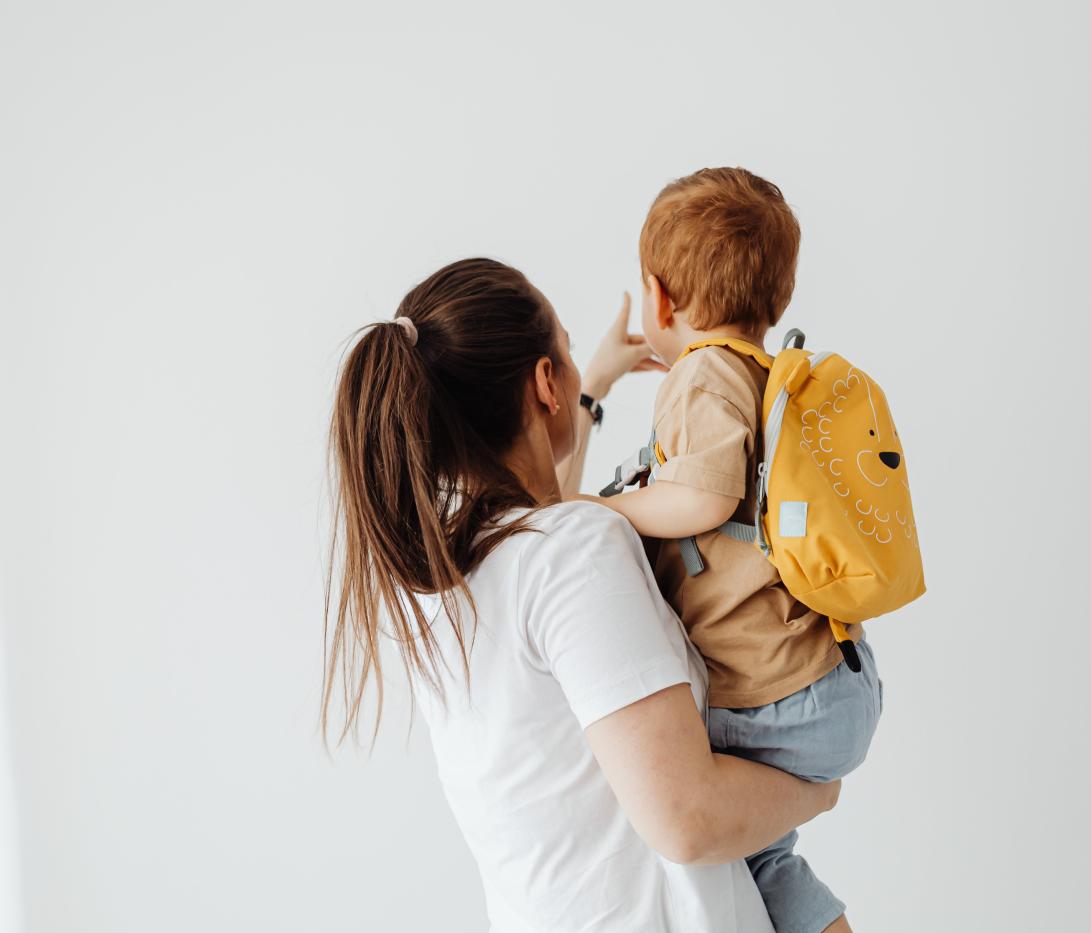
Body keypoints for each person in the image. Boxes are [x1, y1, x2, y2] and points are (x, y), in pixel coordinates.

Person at [324, 257, 843, 932]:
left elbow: (548, 513)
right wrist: (818, 788)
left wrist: (591, 384)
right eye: (563, 356)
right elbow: (688, 819)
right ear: (545, 383)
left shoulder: (441, 576)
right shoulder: (571, 551)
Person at [593, 168, 882, 933]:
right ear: (775, 299)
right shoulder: (756, 372)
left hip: (774, 694)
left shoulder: (699, 374)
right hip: (825, 679)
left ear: (659, 297)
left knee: (659, 794)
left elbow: (708, 494)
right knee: (761, 864)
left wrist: (602, 508)